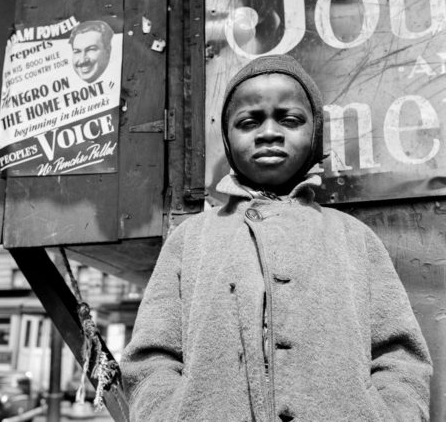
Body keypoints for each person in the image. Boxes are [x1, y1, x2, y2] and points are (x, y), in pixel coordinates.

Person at [121, 55, 432, 421]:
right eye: (249, 122)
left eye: (289, 119)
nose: (269, 132)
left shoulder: (354, 238)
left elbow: (399, 357)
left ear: (315, 133)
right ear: (227, 137)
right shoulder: (191, 240)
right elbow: (151, 357)